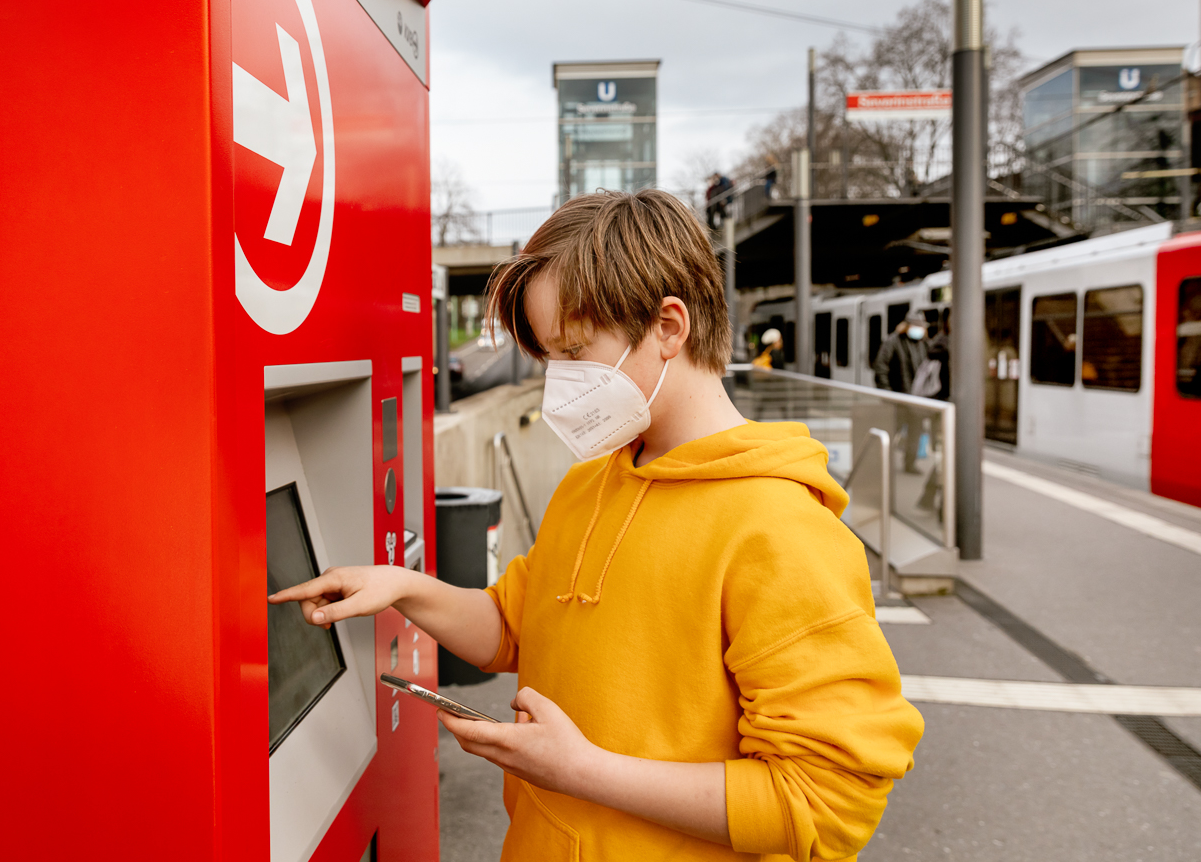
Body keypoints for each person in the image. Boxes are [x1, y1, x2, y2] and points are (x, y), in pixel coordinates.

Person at [270, 190, 922, 861]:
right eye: (551, 358)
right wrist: (404, 588)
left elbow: (826, 799)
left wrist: (581, 771)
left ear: (669, 327)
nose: (560, 382)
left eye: (575, 351)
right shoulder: (592, 481)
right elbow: (513, 627)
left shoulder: (782, 527)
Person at [872, 311, 930, 473]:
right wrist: (888, 393)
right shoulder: (893, 342)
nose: (918, 330)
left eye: (920, 327)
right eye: (915, 326)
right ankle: (881, 464)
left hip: (917, 400)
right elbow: (881, 367)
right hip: (897, 398)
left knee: (915, 433)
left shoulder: (925, 344)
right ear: (906, 326)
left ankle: (910, 464)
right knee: (891, 432)